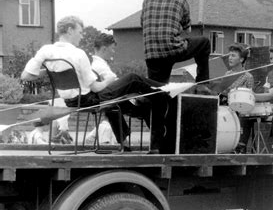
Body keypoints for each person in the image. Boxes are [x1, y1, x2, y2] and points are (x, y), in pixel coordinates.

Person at [21, 16, 166, 153]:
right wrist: (108, 81)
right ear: (70, 30)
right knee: (133, 78)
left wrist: (50, 70)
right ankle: (164, 89)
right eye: (80, 32)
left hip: (70, 101)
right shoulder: (79, 54)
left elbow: (26, 75)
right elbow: (97, 87)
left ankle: (126, 140)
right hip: (89, 100)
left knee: (120, 98)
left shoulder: (46, 50)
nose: (82, 36)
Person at [141, 0, 211, 94]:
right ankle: (202, 83)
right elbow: (188, 30)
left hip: (152, 55)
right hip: (172, 49)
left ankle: (151, 107)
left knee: (158, 91)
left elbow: (143, 24)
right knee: (204, 43)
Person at [237, 45, 273, 153]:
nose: (272, 61)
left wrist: (251, 94)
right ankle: (241, 144)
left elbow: (269, 95)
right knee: (246, 110)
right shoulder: (270, 75)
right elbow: (265, 93)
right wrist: (248, 99)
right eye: (271, 58)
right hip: (272, 105)